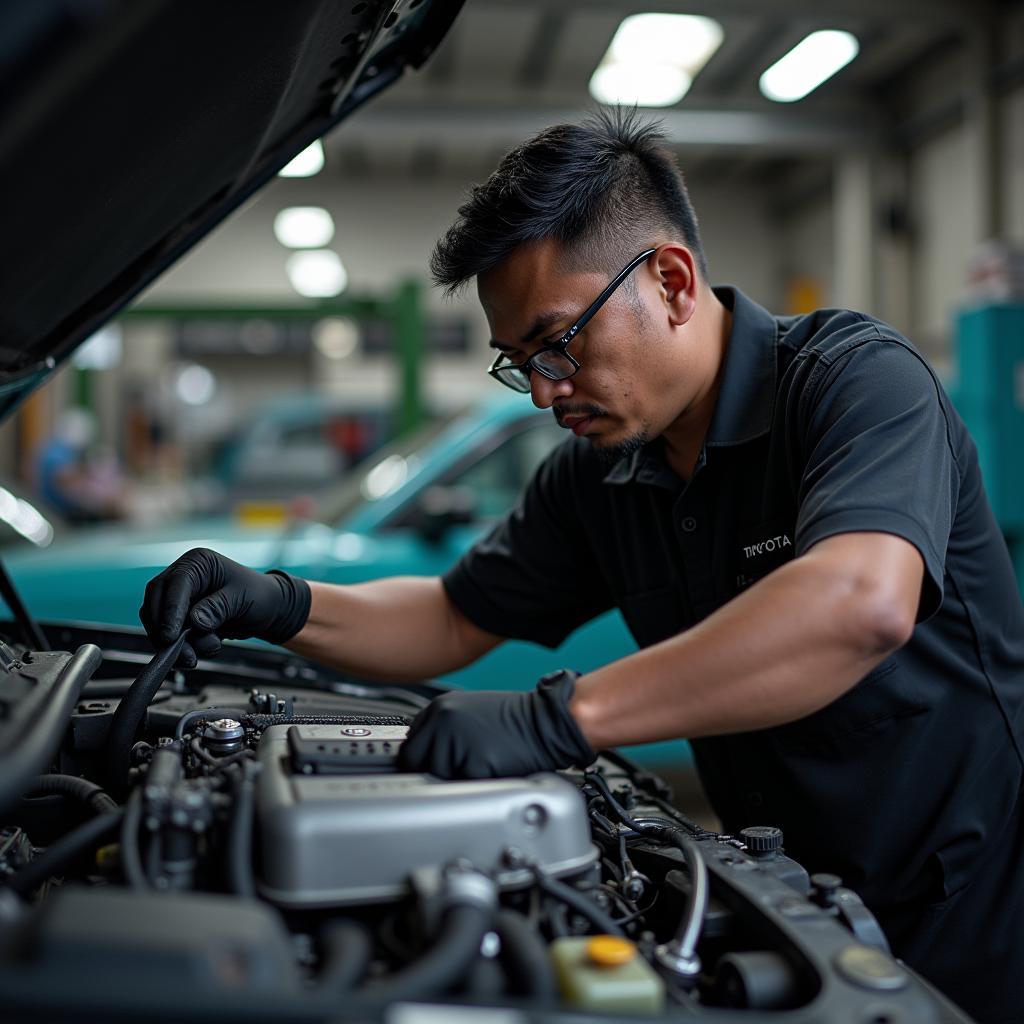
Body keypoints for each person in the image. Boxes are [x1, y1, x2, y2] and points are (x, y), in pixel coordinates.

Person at [140, 110, 1023, 1020]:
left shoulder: (852, 383)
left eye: (559, 343)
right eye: (517, 363)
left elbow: (857, 604)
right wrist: (279, 602)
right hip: (787, 896)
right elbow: (453, 615)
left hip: (969, 903)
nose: (544, 391)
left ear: (672, 282)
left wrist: (561, 718)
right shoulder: (599, 472)